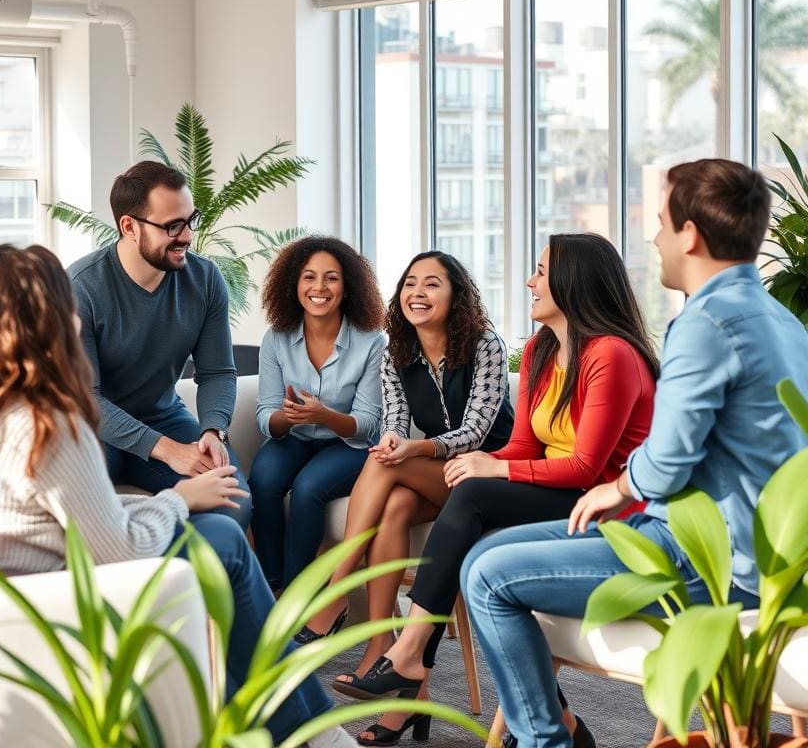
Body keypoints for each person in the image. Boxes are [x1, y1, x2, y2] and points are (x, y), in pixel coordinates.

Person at [0, 245, 355, 748]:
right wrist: (180, 498)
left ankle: (276, 722)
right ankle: (313, 732)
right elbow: (123, 549)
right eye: (67, 308)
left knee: (213, 535)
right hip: (66, 593)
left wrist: (165, 498)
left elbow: (48, 514)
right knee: (222, 538)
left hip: (9, 586)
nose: (77, 321)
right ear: (45, 322)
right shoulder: (49, 425)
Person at [461, 159, 808, 748]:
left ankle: (547, 740)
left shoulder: (705, 322)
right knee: (486, 552)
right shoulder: (783, 320)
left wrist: (615, 487)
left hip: (711, 557)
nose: (656, 239)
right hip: (736, 543)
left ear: (690, 234)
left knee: (490, 578)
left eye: (661, 224)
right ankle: (553, 731)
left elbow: (667, 464)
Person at [336, 233, 659, 745]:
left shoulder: (612, 355)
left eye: (540, 271)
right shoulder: (539, 350)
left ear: (574, 283)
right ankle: (551, 719)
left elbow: (584, 468)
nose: (530, 281)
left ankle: (409, 653)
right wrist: (477, 462)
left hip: (606, 508)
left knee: (474, 498)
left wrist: (493, 470)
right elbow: (526, 445)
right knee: (468, 513)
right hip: (556, 496)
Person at [298, 252, 514, 721]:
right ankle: (384, 648)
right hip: (439, 476)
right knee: (392, 498)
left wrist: (412, 450)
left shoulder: (485, 346)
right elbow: (395, 422)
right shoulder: (397, 350)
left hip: (486, 473)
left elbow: (475, 432)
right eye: (410, 283)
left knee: (390, 467)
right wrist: (397, 443)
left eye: (432, 284)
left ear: (456, 295)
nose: (417, 293)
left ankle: (336, 590)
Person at [68, 161, 251, 530]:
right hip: (92, 430)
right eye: (172, 226)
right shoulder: (80, 287)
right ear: (129, 227)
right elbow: (87, 398)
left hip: (163, 417)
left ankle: (191, 586)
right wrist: (169, 451)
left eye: (190, 220)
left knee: (232, 504)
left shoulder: (205, 279)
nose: (186, 236)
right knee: (85, 517)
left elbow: (217, 371)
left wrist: (213, 431)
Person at [249, 236, 386, 592]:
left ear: (348, 287)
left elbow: (367, 424)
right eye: (309, 277)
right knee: (263, 480)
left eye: (332, 278)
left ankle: (298, 597)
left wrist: (322, 415)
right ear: (294, 283)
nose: (319, 288)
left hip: (349, 445)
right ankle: (271, 587)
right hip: (294, 437)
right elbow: (266, 415)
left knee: (309, 488)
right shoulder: (276, 338)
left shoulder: (371, 341)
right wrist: (288, 417)